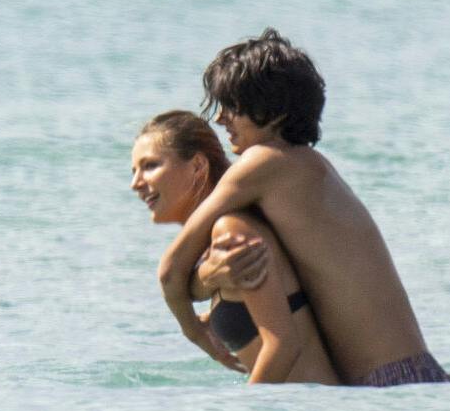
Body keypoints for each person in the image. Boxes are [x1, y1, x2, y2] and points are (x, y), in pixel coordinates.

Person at [157, 30, 450, 388]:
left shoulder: (261, 163)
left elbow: (171, 272)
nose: (220, 119)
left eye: (233, 106)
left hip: (384, 384)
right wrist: (208, 280)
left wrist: (196, 332)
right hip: (415, 373)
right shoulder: (311, 167)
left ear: (273, 111)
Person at [132, 111, 338, 385]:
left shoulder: (233, 231)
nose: (136, 183)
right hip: (298, 404)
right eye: (134, 171)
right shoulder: (219, 243)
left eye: (150, 166)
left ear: (197, 166)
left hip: (307, 405)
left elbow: (284, 346)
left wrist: (246, 408)